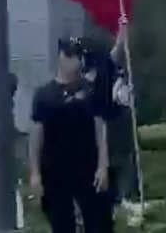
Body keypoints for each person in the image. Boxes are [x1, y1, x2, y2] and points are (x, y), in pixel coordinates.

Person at [29, 38, 112, 233]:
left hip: (87, 168)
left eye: (77, 56)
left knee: (98, 222)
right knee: (61, 224)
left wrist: (103, 166)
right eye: (70, 55)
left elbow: (100, 129)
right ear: (61, 57)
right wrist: (35, 173)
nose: (75, 61)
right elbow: (36, 137)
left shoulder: (90, 91)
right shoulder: (44, 95)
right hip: (55, 171)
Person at [81, 25, 138, 208]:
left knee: (125, 160)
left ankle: (126, 196)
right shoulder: (86, 84)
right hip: (103, 129)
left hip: (120, 124)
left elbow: (118, 48)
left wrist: (122, 29)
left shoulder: (106, 65)